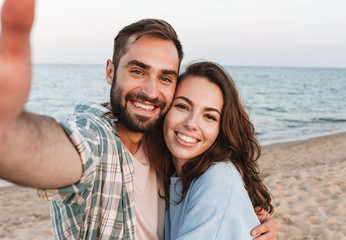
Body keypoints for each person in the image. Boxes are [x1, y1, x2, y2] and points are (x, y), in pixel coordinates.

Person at [0, 0, 277, 239]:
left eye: (165, 77)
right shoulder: (99, 141)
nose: (151, 91)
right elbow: (65, 149)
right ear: (110, 71)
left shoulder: (168, 150)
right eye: (138, 71)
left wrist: (245, 221)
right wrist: (9, 134)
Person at [144, 61, 274, 239]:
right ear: (165, 110)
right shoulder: (175, 176)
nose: (191, 123)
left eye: (209, 116)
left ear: (221, 129)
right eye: (182, 106)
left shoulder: (217, 177)